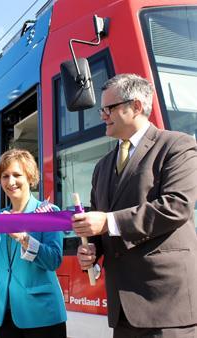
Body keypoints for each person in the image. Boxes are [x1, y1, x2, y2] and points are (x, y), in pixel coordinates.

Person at [72, 73, 197, 337]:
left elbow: (176, 205)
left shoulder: (177, 145)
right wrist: (92, 253)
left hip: (166, 304)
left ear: (136, 106)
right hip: (123, 310)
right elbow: (101, 228)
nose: (102, 115)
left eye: (109, 108)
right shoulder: (102, 166)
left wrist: (108, 221)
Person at [0, 148, 67, 338]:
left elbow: (54, 261)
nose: (10, 182)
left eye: (17, 175)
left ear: (30, 178)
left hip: (42, 315)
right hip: (5, 314)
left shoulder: (48, 212)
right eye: (5, 176)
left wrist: (24, 239)